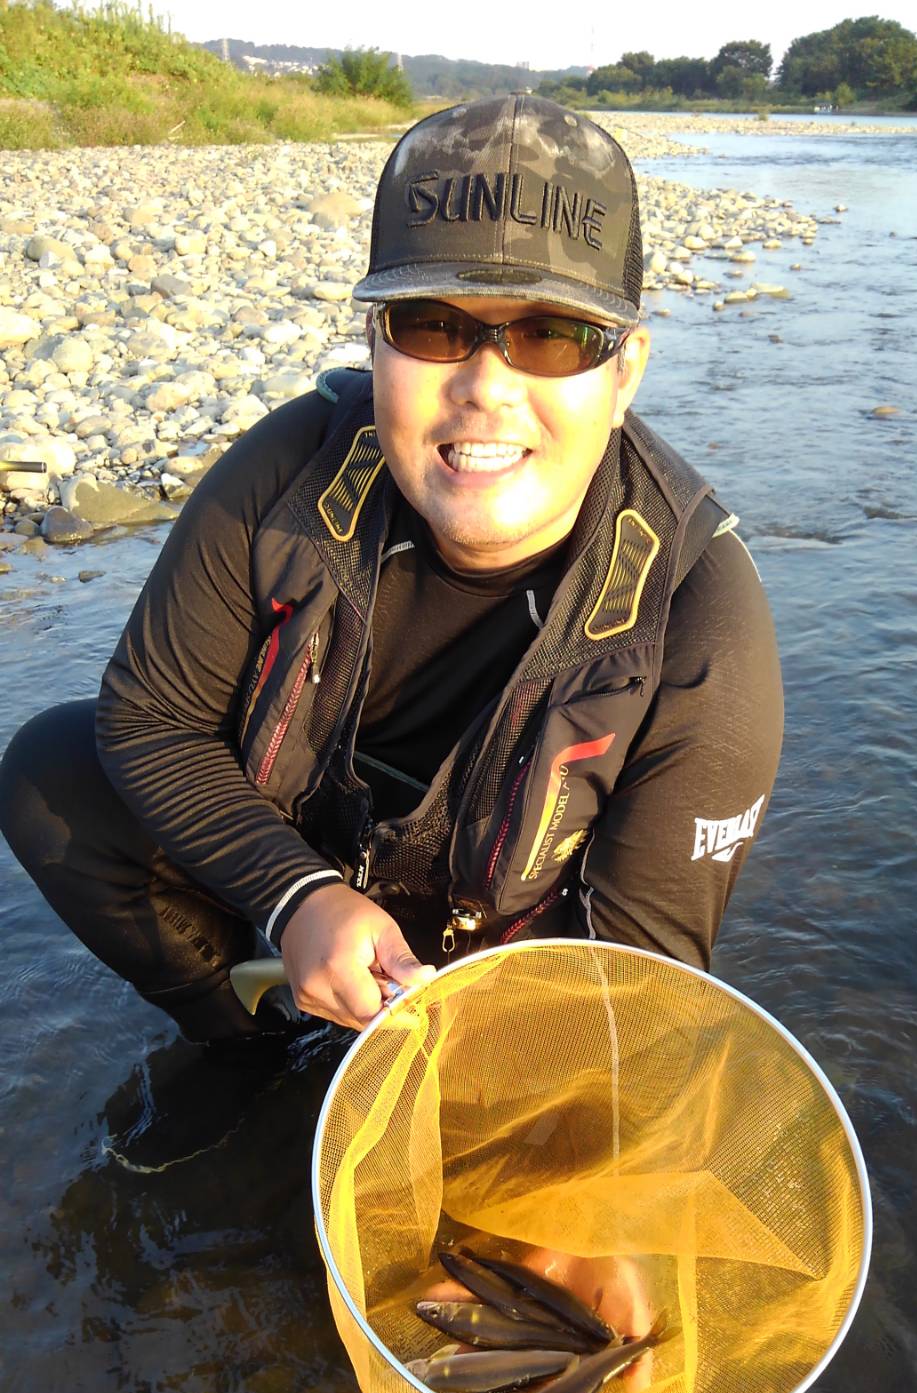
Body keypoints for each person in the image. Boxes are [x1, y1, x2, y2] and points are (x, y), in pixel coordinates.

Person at [0, 95, 783, 1051]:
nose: (487, 387)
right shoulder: (288, 476)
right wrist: (296, 899)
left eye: (551, 336)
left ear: (624, 374)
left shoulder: (700, 616)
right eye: (434, 325)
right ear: (374, 343)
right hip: (315, 872)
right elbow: (146, 716)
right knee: (53, 773)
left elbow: (636, 988)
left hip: (516, 964)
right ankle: (255, 1064)